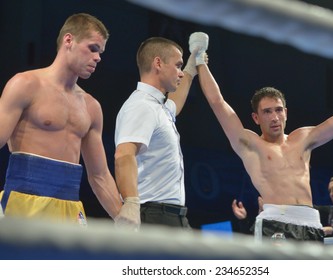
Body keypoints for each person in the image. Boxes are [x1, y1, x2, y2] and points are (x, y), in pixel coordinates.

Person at [193, 32, 333, 242]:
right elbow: (217, 102)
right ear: (256, 117)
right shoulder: (250, 144)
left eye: (278, 110)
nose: (274, 117)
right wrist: (200, 60)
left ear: (286, 113)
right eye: (267, 112)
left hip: (311, 224)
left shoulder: (303, 138)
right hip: (275, 224)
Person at [0, 13, 124, 225]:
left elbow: (100, 176)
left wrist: (126, 221)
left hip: (70, 208)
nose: (98, 57)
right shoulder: (26, 84)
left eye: (100, 52)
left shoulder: (91, 107)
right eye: (93, 48)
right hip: (23, 203)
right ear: (69, 40)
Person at [114, 35, 203, 230]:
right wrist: (130, 203)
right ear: (158, 63)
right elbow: (124, 154)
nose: (180, 73)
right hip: (154, 216)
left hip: (171, 216)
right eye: (177, 66)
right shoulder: (141, 105)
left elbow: (176, 103)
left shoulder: (159, 107)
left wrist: (190, 69)